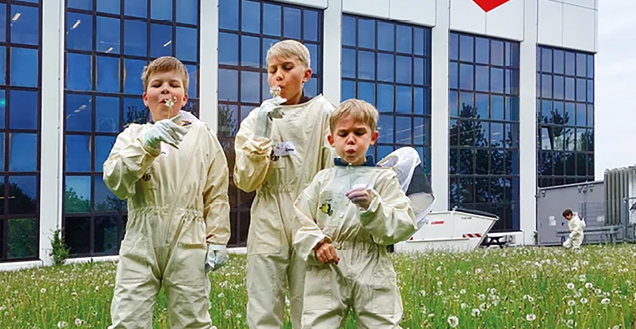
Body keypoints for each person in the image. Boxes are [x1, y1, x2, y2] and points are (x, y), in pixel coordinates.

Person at [104, 56, 232, 328]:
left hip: (189, 240)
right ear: (145, 97)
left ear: (184, 98)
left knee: (193, 320)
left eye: (173, 85)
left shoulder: (202, 136)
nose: (165, 90)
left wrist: (218, 237)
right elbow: (115, 180)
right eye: (157, 85)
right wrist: (147, 144)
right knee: (128, 319)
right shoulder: (132, 136)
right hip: (141, 237)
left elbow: (216, 191)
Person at [233, 40, 336, 328]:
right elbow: (245, 180)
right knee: (263, 306)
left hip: (309, 217)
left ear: (306, 74)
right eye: (272, 69)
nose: (278, 75)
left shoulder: (324, 113)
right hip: (268, 217)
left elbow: (333, 173)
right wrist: (263, 134)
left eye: (287, 67)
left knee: (311, 307)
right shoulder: (256, 119)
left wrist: (325, 226)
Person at [292, 99, 418, 328]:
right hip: (327, 264)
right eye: (343, 134)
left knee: (381, 323)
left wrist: (373, 208)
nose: (351, 139)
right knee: (318, 323)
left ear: (373, 138)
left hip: (371, 262)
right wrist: (317, 243)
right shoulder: (323, 180)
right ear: (331, 140)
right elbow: (300, 220)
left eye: (359, 132)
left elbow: (405, 221)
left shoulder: (383, 178)